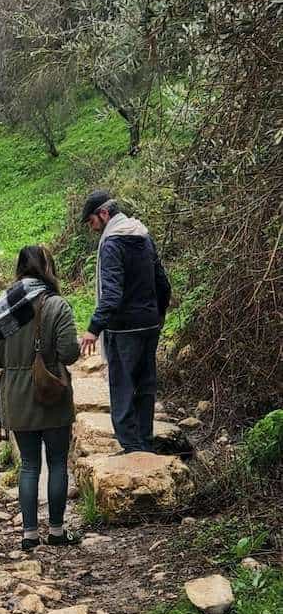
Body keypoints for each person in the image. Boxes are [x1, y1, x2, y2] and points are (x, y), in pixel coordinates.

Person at [0, 245, 81, 549]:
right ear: (47, 268)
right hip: (51, 391)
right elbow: (69, 353)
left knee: (28, 464)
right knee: (57, 463)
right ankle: (55, 530)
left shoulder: (3, 305)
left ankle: (28, 535)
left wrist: (15, 365)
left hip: (15, 392)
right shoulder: (57, 305)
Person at [79, 190, 172, 454]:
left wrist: (93, 329)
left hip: (123, 328)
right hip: (149, 324)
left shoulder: (111, 244)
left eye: (92, 222)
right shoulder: (143, 235)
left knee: (122, 386)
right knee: (145, 385)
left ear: (104, 213)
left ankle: (131, 448)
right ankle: (145, 441)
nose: (92, 227)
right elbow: (162, 281)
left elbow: (111, 295)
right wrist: (159, 312)